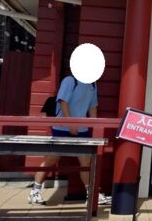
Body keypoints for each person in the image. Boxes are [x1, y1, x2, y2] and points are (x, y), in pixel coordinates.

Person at [29, 73, 109, 206]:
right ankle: (35, 192)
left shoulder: (93, 84)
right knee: (52, 158)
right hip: (62, 128)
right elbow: (62, 101)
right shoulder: (70, 80)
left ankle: (91, 195)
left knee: (85, 161)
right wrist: (70, 122)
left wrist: (94, 127)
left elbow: (92, 106)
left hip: (82, 129)